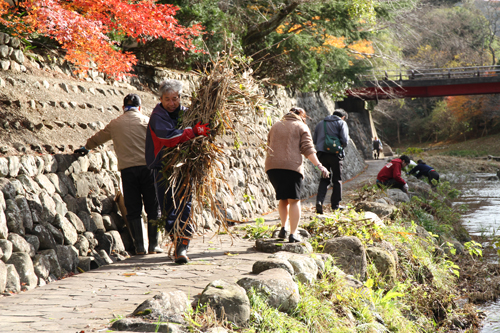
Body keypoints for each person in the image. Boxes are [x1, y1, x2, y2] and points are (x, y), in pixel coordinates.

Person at [74, 94, 161, 255]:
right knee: (153, 208)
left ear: (123, 108)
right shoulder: (147, 121)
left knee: (133, 208)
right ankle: (153, 245)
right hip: (148, 169)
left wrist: (86, 147)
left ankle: (139, 247)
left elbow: (98, 138)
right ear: (139, 108)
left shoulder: (115, 124)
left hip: (128, 171)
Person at [145, 79, 210, 264]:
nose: (172, 103)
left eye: (175, 98)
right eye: (167, 99)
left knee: (184, 206)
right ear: (161, 99)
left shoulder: (186, 113)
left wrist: (203, 130)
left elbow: (199, 127)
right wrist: (193, 132)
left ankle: (182, 247)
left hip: (184, 167)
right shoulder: (158, 116)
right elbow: (168, 137)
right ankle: (177, 242)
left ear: (180, 97)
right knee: (167, 208)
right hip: (162, 168)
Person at [265, 107, 329, 243]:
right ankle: (293, 234)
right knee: (294, 200)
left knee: (283, 198)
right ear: (302, 116)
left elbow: (269, 144)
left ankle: (283, 228)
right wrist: (319, 165)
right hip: (291, 167)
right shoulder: (301, 126)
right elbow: (308, 149)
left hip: (272, 167)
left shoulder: (276, 125)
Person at [313, 108, 350, 214]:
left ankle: (319, 202)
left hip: (321, 154)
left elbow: (315, 140)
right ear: (343, 117)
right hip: (335, 154)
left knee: (324, 178)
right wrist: (340, 147)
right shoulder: (341, 123)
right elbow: (345, 140)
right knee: (337, 179)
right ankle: (335, 205)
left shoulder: (321, 123)